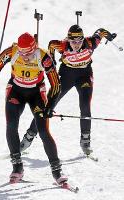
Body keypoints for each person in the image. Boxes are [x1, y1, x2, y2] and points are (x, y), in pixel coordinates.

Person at [20, 25, 116, 155]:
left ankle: (85, 141)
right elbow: (52, 44)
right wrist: (52, 58)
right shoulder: (63, 45)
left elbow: (100, 32)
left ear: (83, 39)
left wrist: (108, 35)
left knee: (85, 105)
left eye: (79, 41)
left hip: (84, 75)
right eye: (73, 41)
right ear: (68, 40)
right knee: (48, 104)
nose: (76, 44)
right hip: (67, 75)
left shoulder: (90, 43)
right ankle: (29, 137)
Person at [0, 32, 68, 184]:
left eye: (28, 53)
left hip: (36, 93)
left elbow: (56, 84)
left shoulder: (43, 56)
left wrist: (50, 105)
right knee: (11, 126)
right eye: (21, 52)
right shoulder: (13, 51)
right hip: (16, 91)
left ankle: (57, 171)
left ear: (34, 48)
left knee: (43, 131)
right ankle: (17, 167)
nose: (24, 56)